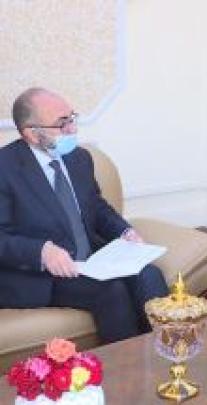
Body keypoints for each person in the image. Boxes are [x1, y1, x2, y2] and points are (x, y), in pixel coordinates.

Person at [0, 87, 169, 343]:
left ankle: (167, 351)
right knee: (111, 291)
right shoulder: (5, 168)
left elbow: (96, 207)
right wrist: (41, 252)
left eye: (72, 118)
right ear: (32, 134)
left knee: (150, 275)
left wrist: (124, 231)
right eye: (62, 123)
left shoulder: (79, 158)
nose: (72, 129)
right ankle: (127, 366)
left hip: (91, 261)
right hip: (40, 273)